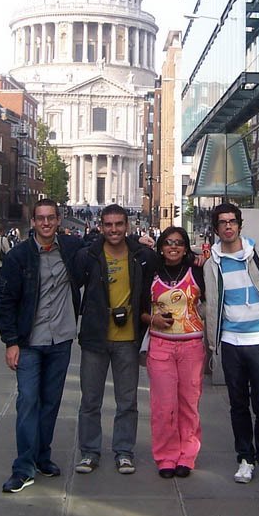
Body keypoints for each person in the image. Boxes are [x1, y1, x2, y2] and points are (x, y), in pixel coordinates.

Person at [0, 198, 85, 493]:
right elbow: (4, 301)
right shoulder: (19, 256)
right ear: (33, 222)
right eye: (40, 218)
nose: (46, 223)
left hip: (61, 339)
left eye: (51, 218)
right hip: (30, 341)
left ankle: (42, 456)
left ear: (59, 220)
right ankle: (23, 467)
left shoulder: (71, 250)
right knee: (28, 401)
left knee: (51, 403)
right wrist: (11, 342)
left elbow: (108, 248)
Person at [74, 204, 157, 476]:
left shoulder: (141, 255)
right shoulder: (88, 255)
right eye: (108, 225)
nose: (113, 230)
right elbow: (72, 284)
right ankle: (89, 451)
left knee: (127, 400)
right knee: (90, 400)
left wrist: (199, 258)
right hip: (95, 337)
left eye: (119, 224)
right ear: (100, 226)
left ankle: (124, 451)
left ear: (127, 225)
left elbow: (172, 261)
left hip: (128, 338)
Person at [203, 202, 259, 484]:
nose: (228, 226)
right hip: (231, 341)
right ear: (216, 228)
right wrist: (213, 346)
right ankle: (245, 458)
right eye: (222, 222)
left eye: (232, 221)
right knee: (238, 405)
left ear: (239, 224)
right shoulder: (211, 264)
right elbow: (211, 304)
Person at [143, 226, 206, 479]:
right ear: (160, 246)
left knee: (189, 403)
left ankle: (187, 455)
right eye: (168, 242)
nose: (173, 247)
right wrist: (152, 319)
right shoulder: (150, 271)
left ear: (185, 246)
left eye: (179, 243)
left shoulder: (198, 271)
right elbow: (138, 307)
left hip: (192, 345)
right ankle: (166, 456)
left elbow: (212, 301)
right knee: (163, 405)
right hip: (161, 345)